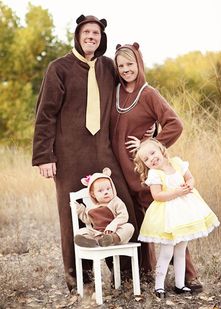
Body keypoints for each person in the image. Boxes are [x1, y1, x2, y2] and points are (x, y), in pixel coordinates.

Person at [32, 15, 140, 291]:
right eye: (87, 31)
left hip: (103, 152)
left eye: (97, 32)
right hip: (69, 155)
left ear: (102, 38)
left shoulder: (108, 67)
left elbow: (128, 90)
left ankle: (127, 276)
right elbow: (45, 114)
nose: (92, 36)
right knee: (74, 217)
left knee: (123, 206)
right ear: (78, 35)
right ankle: (81, 280)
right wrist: (44, 156)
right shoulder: (59, 68)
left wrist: (147, 129)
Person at [110, 42, 203, 291]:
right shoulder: (115, 92)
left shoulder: (149, 93)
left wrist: (148, 145)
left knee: (167, 224)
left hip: (147, 174)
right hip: (121, 172)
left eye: (130, 64)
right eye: (121, 65)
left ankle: (190, 277)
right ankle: (148, 273)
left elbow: (175, 124)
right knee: (141, 224)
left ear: (139, 63)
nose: (126, 69)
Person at [133, 138, 220, 298]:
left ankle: (180, 284)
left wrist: (190, 185)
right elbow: (157, 195)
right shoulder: (155, 173)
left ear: (161, 149)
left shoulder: (177, 163)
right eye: (146, 159)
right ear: (145, 164)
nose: (151, 158)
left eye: (152, 153)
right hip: (168, 215)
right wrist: (176, 193)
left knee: (181, 250)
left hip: (184, 212)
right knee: (166, 252)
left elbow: (190, 178)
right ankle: (159, 287)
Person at [73, 167, 134, 247]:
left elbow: (123, 216)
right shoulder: (91, 206)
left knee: (129, 227)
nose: (106, 192)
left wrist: (113, 225)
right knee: (81, 232)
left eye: (108, 189)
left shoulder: (115, 201)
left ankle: (111, 239)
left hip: (114, 231)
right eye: (101, 191)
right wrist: (79, 209)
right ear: (93, 194)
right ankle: (91, 240)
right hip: (96, 233)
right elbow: (87, 220)